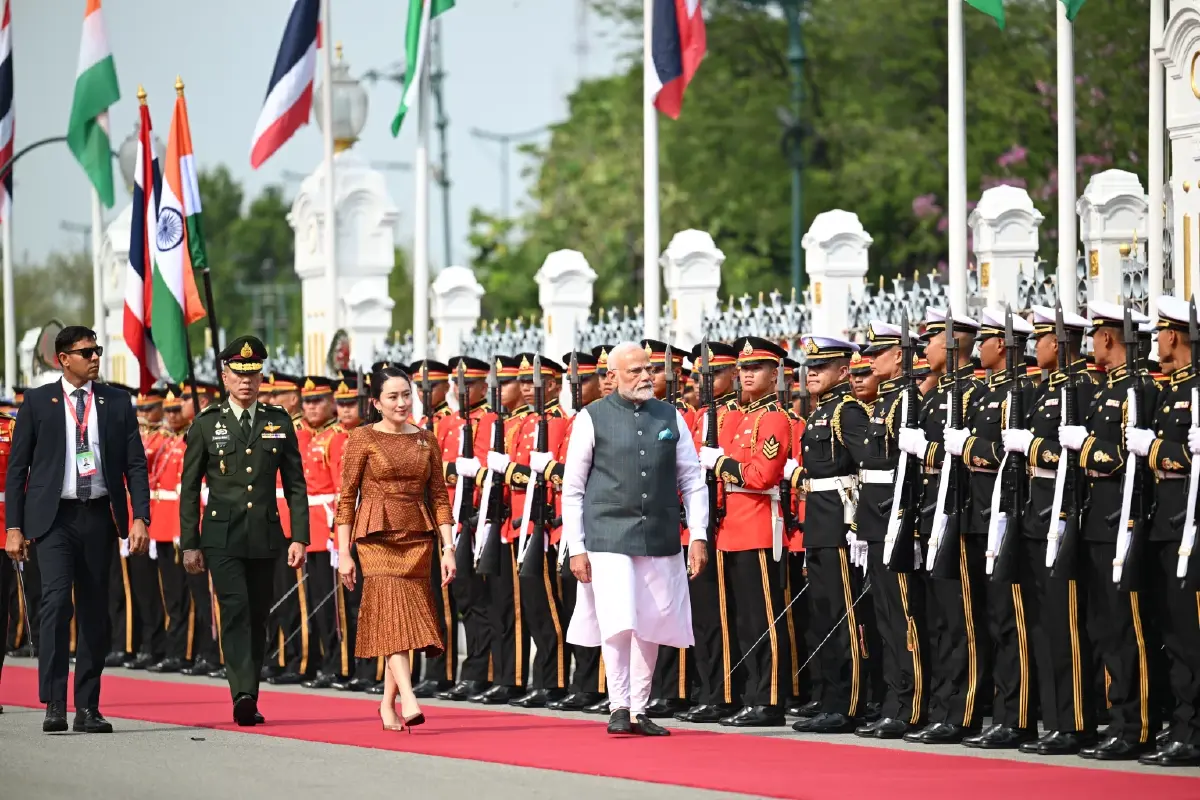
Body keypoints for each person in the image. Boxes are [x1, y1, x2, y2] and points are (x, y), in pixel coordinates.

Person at [4, 325, 151, 734]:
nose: (95, 358)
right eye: (86, 352)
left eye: (97, 350)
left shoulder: (117, 401)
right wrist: (13, 528)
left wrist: (140, 516)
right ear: (63, 358)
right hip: (53, 519)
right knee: (54, 605)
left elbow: (136, 464)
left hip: (99, 514)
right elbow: (18, 471)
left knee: (94, 611)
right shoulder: (38, 403)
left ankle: (88, 706)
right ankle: (54, 701)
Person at [563, 341, 709, 736]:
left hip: (660, 533)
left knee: (654, 619)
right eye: (635, 371)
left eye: (648, 369)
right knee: (618, 619)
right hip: (608, 533)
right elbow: (573, 488)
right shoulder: (591, 418)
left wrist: (698, 535)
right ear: (612, 376)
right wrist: (576, 548)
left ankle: (641, 708)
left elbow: (692, 480)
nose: (646, 377)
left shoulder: (670, 416)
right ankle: (619, 705)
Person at [179, 335, 310, 727]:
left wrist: (299, 536)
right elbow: (188, 488)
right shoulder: (206, 424)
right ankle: (243, 693)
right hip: (221, 537)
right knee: (234, 609)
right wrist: (189, 544)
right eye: (239, 374)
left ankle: (249, 689)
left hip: (266, 536)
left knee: (258, 614)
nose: (247, 381)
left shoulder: (278, 420)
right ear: (224, 375)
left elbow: (295, 484)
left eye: (253, 374)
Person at [1059, 301, 1160, 760]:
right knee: (1105, 628)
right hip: (1096, 519)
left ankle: (1136, 726)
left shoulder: (1135, 389)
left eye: (1095, 335)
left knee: (1128, 630)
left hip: (1122, 517)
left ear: (1106, 338)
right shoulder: (1104, 391)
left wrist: (1086, 445)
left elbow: (1121, 457)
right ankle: (1119, 719)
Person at [335, 365, 456, 732]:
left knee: (398, 619)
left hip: (417, 536)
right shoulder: (361, 439)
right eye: (393, 396)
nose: (402, 402)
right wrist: (344, 553)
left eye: (406, 395)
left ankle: (387, 703)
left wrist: (448, 547)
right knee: (391, 608)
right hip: (376, 537)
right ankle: (409, 696)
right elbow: (346, 500)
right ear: (376, 402)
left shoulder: (426, 439)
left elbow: (438, 497)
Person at [1126, 295, 1200, 767]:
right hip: (1163, 522)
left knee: (1190, 635)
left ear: (1174, 335)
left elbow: (1187, 459)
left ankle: (1191, 733)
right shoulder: (1171, 388)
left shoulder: (1195, 387)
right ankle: (1182, 725)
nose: (1155, 341)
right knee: (1172, 632)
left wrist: (1156, 447)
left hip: (1188, 523)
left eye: (1159, 333)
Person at [784, 336, 871, 734]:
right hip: (819, 522)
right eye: (810, 366)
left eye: (823, 366)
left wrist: (857, 525)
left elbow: (867, 468)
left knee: (843, 616)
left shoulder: (847, 412)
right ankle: (830, 697)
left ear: (843, 370)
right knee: (823, 616)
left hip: (839, 522)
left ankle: (848, 703)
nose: (812, 373)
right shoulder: (822, 413)